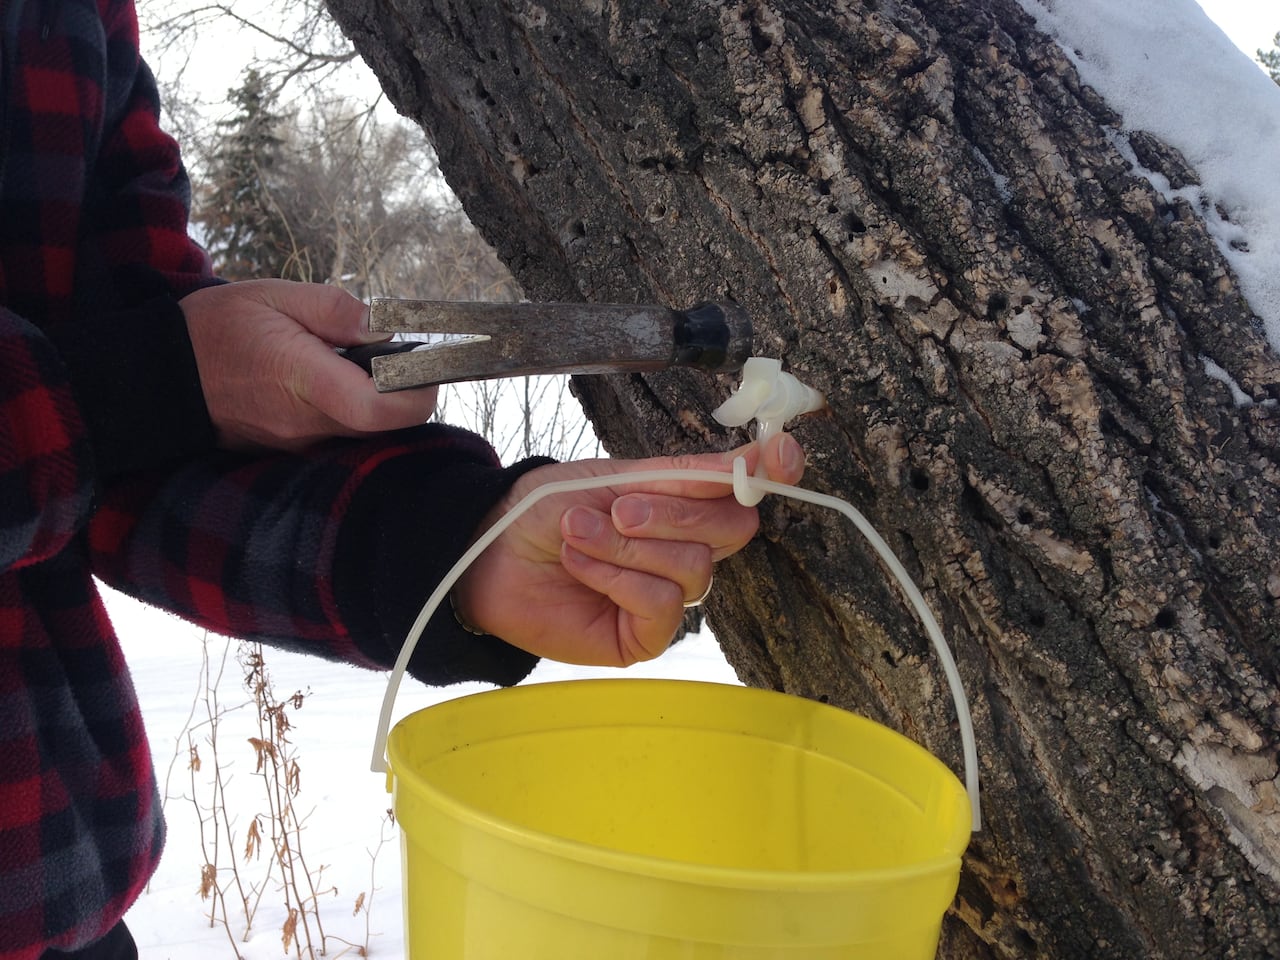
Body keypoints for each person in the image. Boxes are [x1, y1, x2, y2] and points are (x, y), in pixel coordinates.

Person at [0, 2, 806, 958]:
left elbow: (123, 457)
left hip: (56, 892)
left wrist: (453, 546)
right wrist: (145, 385)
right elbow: (144, 391)